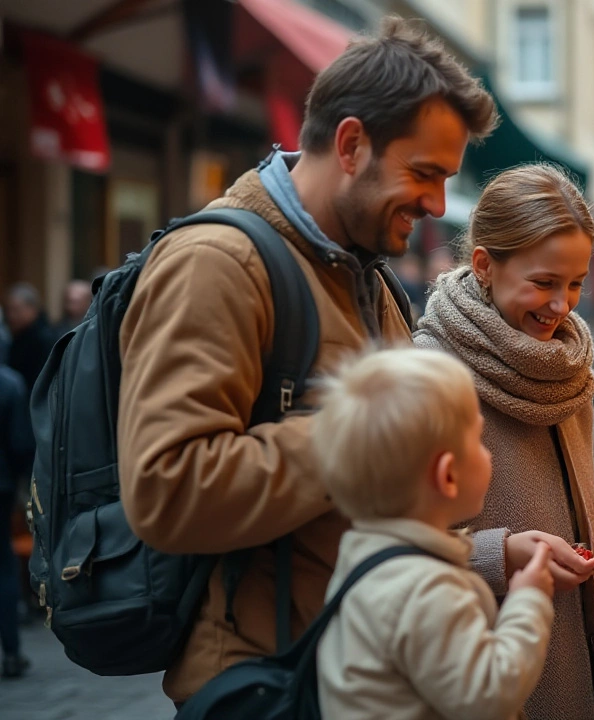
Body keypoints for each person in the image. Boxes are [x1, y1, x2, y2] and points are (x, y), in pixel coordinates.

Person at [115, 17, 497, 704]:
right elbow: (167, 490)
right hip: (271, 683)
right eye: (424, 173)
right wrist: (370, 431)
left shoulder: (370, 272)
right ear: (351, 144)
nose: (439, 204)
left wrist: (490, 558)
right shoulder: (216, 264)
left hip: (354, 671)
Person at [414, 163, 594, 720]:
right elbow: (395, 548)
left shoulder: (570, 365)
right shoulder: (429, 374)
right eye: (544, 282)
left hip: (587, 656)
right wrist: (498, 555)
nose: (562, 306)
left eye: (576, 283)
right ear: (484, 264)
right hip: (490, 663)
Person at [313, 347, 555, 719]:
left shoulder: (366, 559)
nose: (488, 454)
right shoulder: (426, 589)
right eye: (479, 440)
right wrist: (528, 602)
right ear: (447, 475)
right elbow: (488, 694)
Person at [0, 365, 33, 679]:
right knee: (3, 566)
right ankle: (10, 651)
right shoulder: (8, 382)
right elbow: (21, 444)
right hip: (2, 486)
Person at [3, 283, 57, 393]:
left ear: (32, 309)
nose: (11, 315)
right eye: (7, 310)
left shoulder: (44, 339)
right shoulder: (16, 335)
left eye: (16, 310)